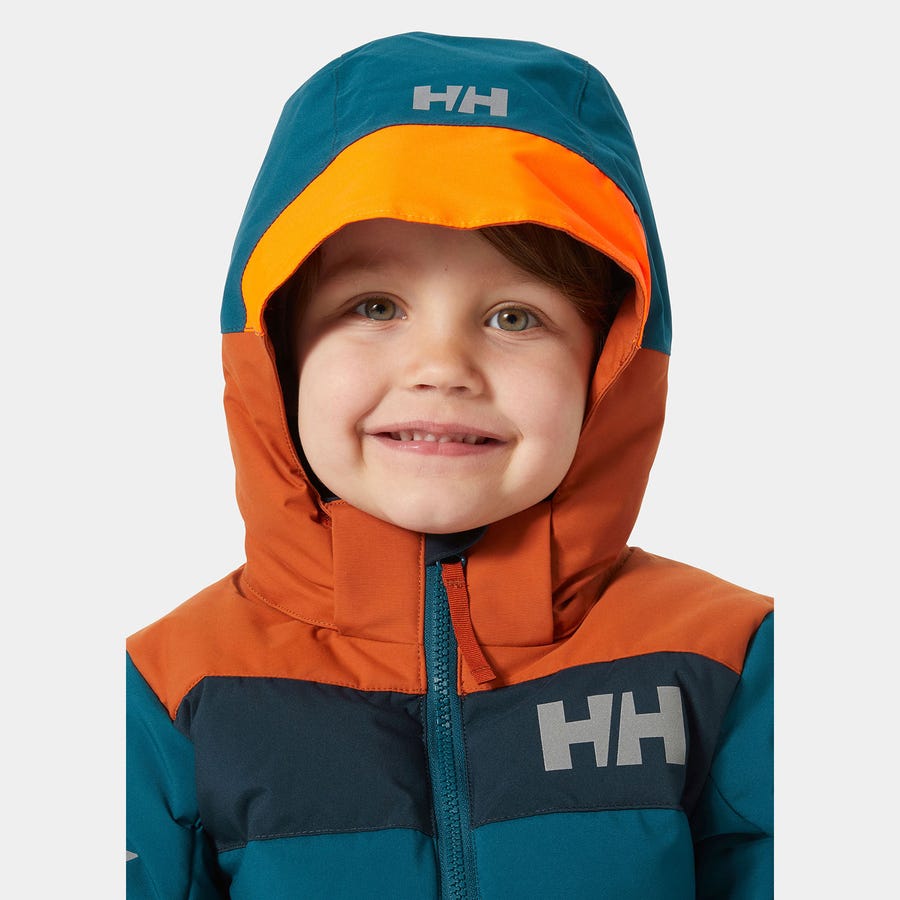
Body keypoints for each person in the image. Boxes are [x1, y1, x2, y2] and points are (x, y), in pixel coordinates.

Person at [126, 32, 773, 899]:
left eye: (514, 316)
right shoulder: (173, 687)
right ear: (275, 350)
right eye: (375, 305)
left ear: (611, 365)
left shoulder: (729, 660)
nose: (441, 367)